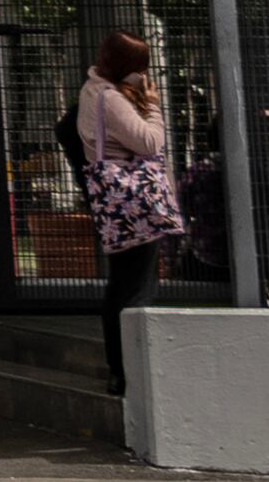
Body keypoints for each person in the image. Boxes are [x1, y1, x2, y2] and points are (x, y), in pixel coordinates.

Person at [78, 34, 188, 388]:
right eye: (141, 67)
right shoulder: (110, 99)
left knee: (122, 283)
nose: (144, 75)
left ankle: (119, 368)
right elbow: (149, 141)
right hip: (136, 204)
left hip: (117, 204)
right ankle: (130, 370)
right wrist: (153, 106)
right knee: (137, 286)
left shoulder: (91, 90)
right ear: (128, 67)